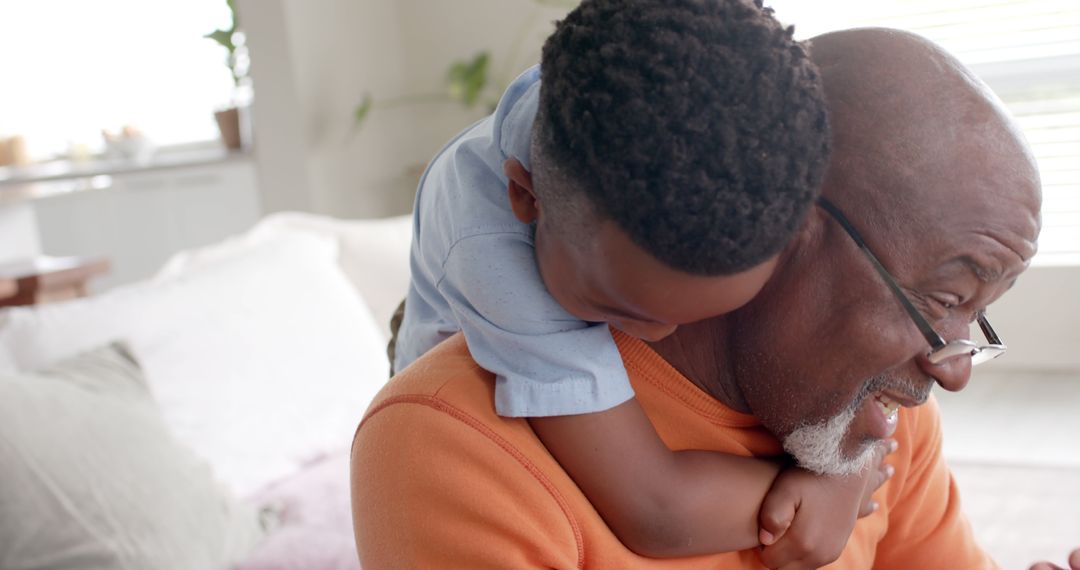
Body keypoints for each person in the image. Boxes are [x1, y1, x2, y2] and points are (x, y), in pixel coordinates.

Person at [353, 25, 1080, 569]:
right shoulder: (452, 449)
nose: (953, 368)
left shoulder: (867, 410)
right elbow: (654, 507)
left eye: (976, 308)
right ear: (788, 225)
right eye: (944, 297)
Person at [387, 0, 884, 561]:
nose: (655, 335)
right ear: (527, 198)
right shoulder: (489, 243)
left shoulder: (749, 141)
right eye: (618, 307)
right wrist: (838, 485)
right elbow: (657, 510)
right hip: (462, 389)